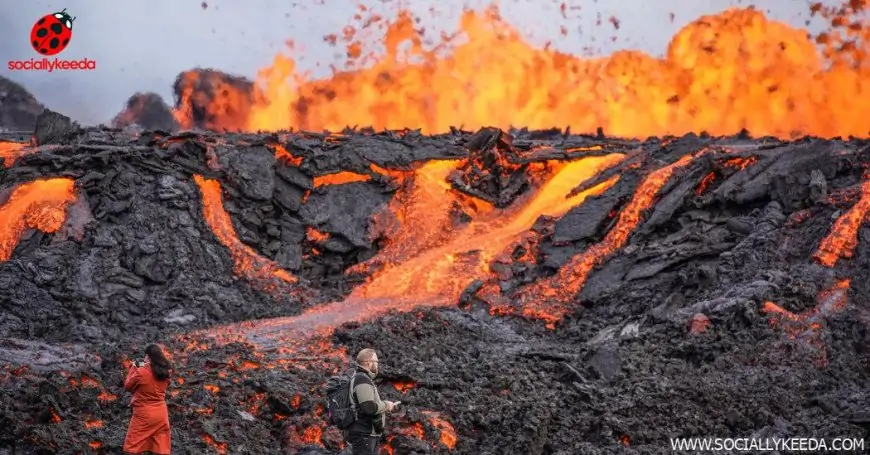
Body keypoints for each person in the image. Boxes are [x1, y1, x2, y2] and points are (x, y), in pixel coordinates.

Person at [346, 348, 400, 455]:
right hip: (364, 435)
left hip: (367, 434)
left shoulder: (361, 377)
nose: (377, 364)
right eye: (376, 362)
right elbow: (368, 408)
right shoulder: (361, 380)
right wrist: (387, 405)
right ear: (368, 363)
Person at [123, 344, 172, 455]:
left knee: (131, 448)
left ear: (148, 357)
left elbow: (128, 386)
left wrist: (134, 367)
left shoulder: (141, 372)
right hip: (161, 415)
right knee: (160, 449)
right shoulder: (167, 371)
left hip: (144, 415)